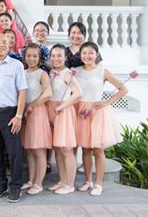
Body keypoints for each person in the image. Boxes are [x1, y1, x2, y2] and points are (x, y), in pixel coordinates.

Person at [75, 42, 126, 196]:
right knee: (85, 148)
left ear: (96, 54)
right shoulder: (75, 71)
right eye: (84, 53)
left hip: (97, 113)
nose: (87, 56)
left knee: (98, 149)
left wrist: (106, 102)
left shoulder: (103, 71)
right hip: (81, 111)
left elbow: (123, 89)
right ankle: (88, 180)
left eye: (91, 53)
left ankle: (98, 183)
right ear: (80, 55)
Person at [0, 33, 27, 203]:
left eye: (4, 42)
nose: (1, 45)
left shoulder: (16, 65)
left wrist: (18, 115)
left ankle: (15, 187)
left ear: (9, 45)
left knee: (14, 153)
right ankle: (0, 184)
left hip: (11, 114)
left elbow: (22, 90)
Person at [47, 44, 82, 195]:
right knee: (58, 150)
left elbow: (78, 94)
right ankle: (62, 180)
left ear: (65, 58)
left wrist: (62, 106)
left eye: (59, 55)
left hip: (63, 112)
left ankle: (70, 184)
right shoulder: (52, 72)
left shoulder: (68, 73)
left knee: (67, 150)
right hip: (51, 110)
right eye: (53, 55)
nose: (56, 58)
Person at [21, 43, 52, 195]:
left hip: (37, 113)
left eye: (35, 56)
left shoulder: (42, 74)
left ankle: (39, 183)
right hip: (25, 113)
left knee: (39, 150)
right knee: (29, 150)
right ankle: (31, 180)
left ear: (39, 58)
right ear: (25, 57)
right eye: (29, 55)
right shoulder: (22, 72)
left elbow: (48, 93)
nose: (31, 59)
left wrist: (32, 105)